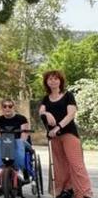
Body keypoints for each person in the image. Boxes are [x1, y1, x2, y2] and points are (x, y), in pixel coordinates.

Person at [39, 70, 92, 198]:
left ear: (60, 81)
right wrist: (47, 113)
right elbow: (41, 112)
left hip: (69, 134)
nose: (53, 81)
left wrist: (57, 127)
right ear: (47, 82)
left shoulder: (68, 95)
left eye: (56, 78)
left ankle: (84, 193)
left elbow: (71, 114)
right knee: (59, 166)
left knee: (76, 164)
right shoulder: (46, 99)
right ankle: (66, 190)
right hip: (53, 137)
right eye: (50, 79)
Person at [0, 99, 31, 180]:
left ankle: (19, 169)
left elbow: (24, 136)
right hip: (5, 144)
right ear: (2, 108)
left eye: (10, 106)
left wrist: (18, 141)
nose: (7, 108)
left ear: (14, 107)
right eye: (5, 106)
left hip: (20, 143)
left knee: (20, 141)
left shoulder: (21, 119)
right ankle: (0, 167)